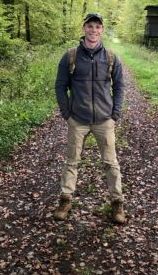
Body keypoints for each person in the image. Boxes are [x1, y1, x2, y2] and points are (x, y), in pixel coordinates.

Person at [54, 13, 126, 224]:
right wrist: (66, 113)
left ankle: (117, 204)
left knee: (111, 163)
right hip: (78, 120)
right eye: (89, 26)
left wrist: (115, 114)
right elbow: (60, 86)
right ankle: (65, 200)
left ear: (102, 30)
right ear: (84, 28)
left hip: (105, 120)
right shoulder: (71, 56)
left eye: (97, 26)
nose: (93, 30)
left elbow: (120, 86)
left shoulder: (111, 57)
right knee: (72, 162)